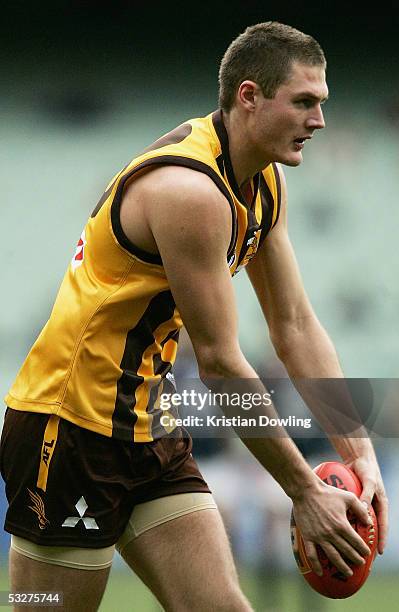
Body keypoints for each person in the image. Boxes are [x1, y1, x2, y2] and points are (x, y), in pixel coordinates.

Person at [0, 21, 388, 611]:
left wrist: (361, 455)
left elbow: (296, 327)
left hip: (149, 425)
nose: (320, 121)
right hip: (69, 429)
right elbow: (220, 364)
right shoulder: (191, 193)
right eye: (304, 102)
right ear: (249, 97)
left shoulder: (263, 182)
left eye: (323, 103)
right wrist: (303, 490)